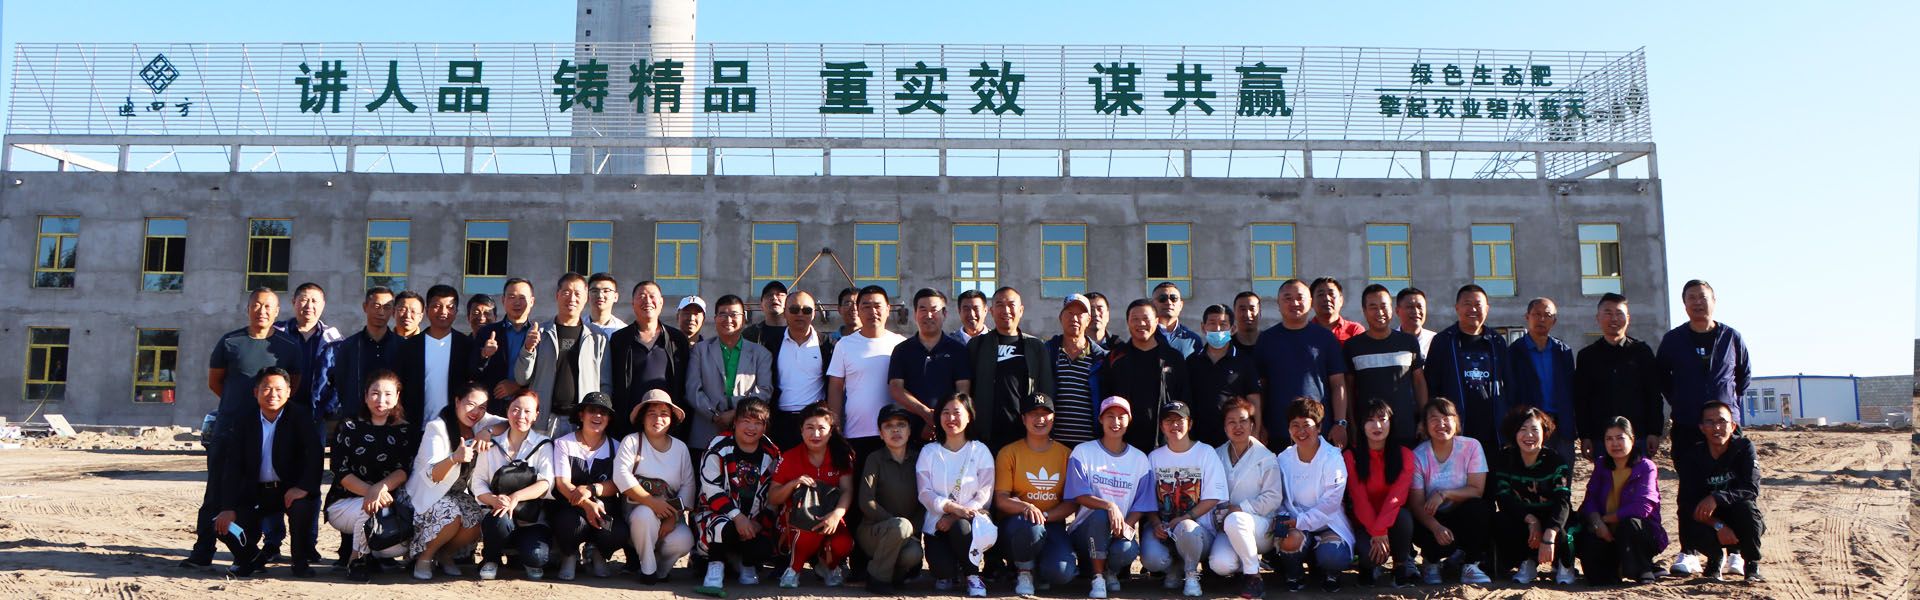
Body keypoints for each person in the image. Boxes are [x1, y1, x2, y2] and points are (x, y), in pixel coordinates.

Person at [189, 287, 304, 569]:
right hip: (229, 429)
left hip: (268, 432)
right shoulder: (230, 342)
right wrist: (238, 408)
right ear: (248, 308)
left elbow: (293, 386)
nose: (262, 311)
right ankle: (203, 550)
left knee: (254, 495)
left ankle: (251, 551)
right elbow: (216, 382)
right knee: (216, 492)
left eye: (268, 306)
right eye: (257, 305)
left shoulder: (288, 346)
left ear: (277, 311)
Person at [1655, 279, 1751, 576]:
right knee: (1690, 488)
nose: (1698, 302)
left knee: (1731, 486)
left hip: (1726, 428)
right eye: (1692, 298)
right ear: (1684, 304)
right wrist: (1684, 403)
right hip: (1687, 426)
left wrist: (1725, 408)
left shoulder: (1731, 337)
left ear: (1714, 300)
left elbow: (1743, 378)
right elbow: (1663, 379)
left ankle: (1736, 553)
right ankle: (1690, 551)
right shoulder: (1673, 340)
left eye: (1703, 297)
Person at [213, 367, 324, 578]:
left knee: (302, 507)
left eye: (279, 389)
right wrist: (227, 507)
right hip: (255, 493)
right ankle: (251, 557)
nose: (273, 394)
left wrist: (302, 488)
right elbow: (232, 467)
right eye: (266, 388)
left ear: (289, 392)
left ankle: (300, 562)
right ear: (256, 392)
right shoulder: (244, 420)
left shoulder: (300, 416)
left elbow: (315, 456)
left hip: (289, 489)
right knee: (223, 525)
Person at [404, 383, 504, 580]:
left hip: (455, 494)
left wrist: (489, 431)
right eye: (470, 404)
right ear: (457, 401)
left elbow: (509, 422)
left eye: (482, 407)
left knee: (478, 517)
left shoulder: (481, 423)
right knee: (451, 513)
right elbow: (432, 475)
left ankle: (445, 554)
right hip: (427, 495)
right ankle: (425, 557)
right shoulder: (437, 428)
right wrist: (454, 458)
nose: (475, 412)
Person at [324, 369, 416, 582]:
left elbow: (403, 470)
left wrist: (378, 490)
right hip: (344, 504)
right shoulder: (348, 426)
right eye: (375, 393)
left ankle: (376, 555)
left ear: (397, 397)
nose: (380, 400)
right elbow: (340, 471)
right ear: (365, 396)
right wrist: (372, 493)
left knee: (384, 520)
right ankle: (357, 560)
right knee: (370, 508)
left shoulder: (405, 431)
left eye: (388, 394)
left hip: (389, 506)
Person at [1063, 397, 1153, 599]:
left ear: (1129, 420)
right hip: (1085, 531)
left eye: (1121, 417)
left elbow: (1142, 503)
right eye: (1110, 416)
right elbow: (1079, 495)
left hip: (1117, 532)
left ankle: (1109, 571)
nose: (1115, 422)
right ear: (1100, 420)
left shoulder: (1139, 459)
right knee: (1100, 515)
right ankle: (1097, 578)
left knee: (1129, 549)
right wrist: (1109, 506)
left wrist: (1125, 526)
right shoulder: (1083, 451)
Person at [694, 396, 781, 597]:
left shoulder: (772, 453)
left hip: (753, 521)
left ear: (765, 426)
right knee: (722, 526)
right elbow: (711, 489)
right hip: (718, 515)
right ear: (735, 422)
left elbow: (774, 494)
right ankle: (715, 567)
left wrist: (759, 522)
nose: (751, 427)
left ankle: (746, 563)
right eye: (746, 421)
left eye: (758, 423)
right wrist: (738, 517)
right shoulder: (718, 446)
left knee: (764, 546)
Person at [1140, 401, 1227, 597]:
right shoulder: (1154, 457)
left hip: (1198, 531)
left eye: (1180, 420)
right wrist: (1155, 523)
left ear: (1190, 423)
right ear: (1161, 426)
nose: (1174, 425)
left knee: (1186, 528)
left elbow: (1213, 497)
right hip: (1164, 528)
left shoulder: (1206, 453)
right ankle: (1175, 567)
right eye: (1168, 421)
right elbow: (1148, 500)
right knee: (1152, 560)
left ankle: (1191, 573)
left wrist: (1185, 517)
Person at [916, 393, 999, 597]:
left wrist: (956, 515)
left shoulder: (980, 451)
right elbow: (924, 493)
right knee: (942, 572)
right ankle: (951, 570)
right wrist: (950, 507)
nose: (951, 418)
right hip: (937, 523)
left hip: (970, 522)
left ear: (969, 416)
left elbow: (985, 494)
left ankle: (972, 574)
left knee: (961, 528)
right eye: (945, 413)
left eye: (957, 412)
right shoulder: (929, 452)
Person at [995, 392, 1077, 595]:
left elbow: (1071, 503)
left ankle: (1040, 569)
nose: (1040, 419)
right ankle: (1024, 571)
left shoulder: (1066, 454)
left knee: (1061, 572)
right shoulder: (1009, 453)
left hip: (1051, 522)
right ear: (1023, 419)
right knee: (1031, 528)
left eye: (1045, 413)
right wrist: (1026, 507)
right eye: (1033, 414)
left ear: (1053, 418)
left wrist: (1044, 516)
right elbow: (1001, 499)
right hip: (1018, 524)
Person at [613, 389, 698, 583]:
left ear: (671, 419)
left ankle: (662, 570)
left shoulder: (680, 448)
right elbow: (621, 475)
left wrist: (673, 517)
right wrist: (652, 502)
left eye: (664, 414)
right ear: (642, 418)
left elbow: (688, 486)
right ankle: (648, 569)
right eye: (651, 413)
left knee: (684, 540)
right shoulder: (632, 441)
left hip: (670, 514)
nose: (658, 419)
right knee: (644, 515)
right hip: (635, 513)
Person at [1675, 401, 1765, 583]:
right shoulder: (1693, 456)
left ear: (1733, 426)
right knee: (1686, 515)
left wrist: (1716, 498)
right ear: (1701, 428)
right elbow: (1686, 500)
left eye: (1722, 421)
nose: (1716, 428)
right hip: (1708, 517)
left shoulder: (1744, 447)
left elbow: (1751, 488)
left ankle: (1751, 565)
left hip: (1736, 513)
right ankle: (1714, 560)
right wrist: (1718, 525)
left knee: (1748, 510)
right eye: (1709, 422)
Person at [1252, 279, 1348, 448]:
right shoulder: (1266, 340)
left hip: (1319, 429)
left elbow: (1338, 384)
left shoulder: (1325, 338)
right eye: (1288, 298)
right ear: (1278, 303)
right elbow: (1260, 389)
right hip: (1278, 431)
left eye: (1300, 298)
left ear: (1310, 302)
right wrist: (1260, 425)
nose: (1294, 303)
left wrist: (1340, 422)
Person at [1273, 397, 1355, 593]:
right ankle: (1294, 573)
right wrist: (1285, 520)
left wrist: (1301, 521)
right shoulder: (1283, 458)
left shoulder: (1333, 457)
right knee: (1288, 540)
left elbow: (1331, 503)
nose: (1301, 431)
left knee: (1333, 555)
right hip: (1295, 523)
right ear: (1289, 429)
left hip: (1329, 523)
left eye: (1307, 425)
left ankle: (1330, 572)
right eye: (1295, 425)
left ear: (1318, 427)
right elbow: (1279, 496)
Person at [769, 405, 857, 588]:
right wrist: (793, 484)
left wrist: (836, 515)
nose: (815, 434)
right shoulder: (790, 457)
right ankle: (794, 569)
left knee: (844, 543)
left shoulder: (842, 455)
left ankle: (829, 566)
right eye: (809, 427)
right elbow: (773, 498)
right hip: (795, 520)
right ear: (801, 430)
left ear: (830, 432)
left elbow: (847, 490)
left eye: (821, 428)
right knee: (808, 524)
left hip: (830, 516)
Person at [472, 389, 555, 581]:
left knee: (537, 557)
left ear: (536, 415)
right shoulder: (491, 444)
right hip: (498, 515)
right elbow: (478, 482)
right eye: (515, 409)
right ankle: (491, 558)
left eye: (527, 411)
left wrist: (515, 498)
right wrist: (493, 499)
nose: (521, 416)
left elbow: (545, 482)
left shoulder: (543, 445)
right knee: (499, 521)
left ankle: (522, 555)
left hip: (532, 519)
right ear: (507, 411)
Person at [514, 273, 612, 436]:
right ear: (557, 295)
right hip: (545, 419)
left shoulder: (597, 337)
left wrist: (598, 416)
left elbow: (605, 385)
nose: (572, 298)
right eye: (566, 292)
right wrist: (528, 349)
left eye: (577, 293)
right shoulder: (540, 332)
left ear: (586, 298)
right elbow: (521, 378)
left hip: (583, 422)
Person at [1408, 397, 1492, 585]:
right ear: (1425, 425)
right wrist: (1436, 527)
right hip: (1432, 518)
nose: (1441, 424)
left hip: (1461, 514)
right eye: (1434, 419)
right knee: (1413, 519)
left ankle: (1471, 564)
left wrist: (1444, 494)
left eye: (1447, 418)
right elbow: (1416, 504)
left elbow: (1477, 490)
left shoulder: (1471, 446)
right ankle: (1431, 562)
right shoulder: (1418, 456)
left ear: (1457, 422)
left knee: (1479, 508)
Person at [1575, 416, 1668, 585]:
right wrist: (1597, 522)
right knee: (1598, 577)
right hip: (1606, 532)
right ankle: (1614, 568)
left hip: (1637, 533)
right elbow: (1590, 500)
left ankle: (1642, 568)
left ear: (1632, 439)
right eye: (1609, 439)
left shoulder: (1646, 466)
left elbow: (1642, 507)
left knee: (1630, 524)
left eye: (1620, 438)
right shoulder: (1601, 464)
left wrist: (1605, 519)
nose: (1615, 444)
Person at [1206, 399, 1284, 598]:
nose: (1238, 426)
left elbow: (1274, 497)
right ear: (1225, 427)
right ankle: (1246, 562)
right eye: (1231, 422)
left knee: (1236, 519)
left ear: (1252, 424)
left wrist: (1240, 508)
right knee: (1220, 564)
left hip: (1260, 527)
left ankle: (1254, 577)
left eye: (1243, 421)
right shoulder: (1216, 455)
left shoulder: (1266, 456)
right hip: (1227, 525)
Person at [1489, 406, 1576, 586]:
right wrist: (1530, 520)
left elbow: (1562, 501)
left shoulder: (1555, 461)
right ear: (1514, 432)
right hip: (1524, 516)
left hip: (1551, 515)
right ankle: (1526, 560)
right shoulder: (1505, 458)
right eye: (1523, 429)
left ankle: (1564, 563)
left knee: (1563, 528)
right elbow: (1504, 498)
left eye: (1535, 430)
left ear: (1544, 433)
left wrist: (1550, 533)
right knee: (1500, 520)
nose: (1529, 435)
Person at [1573, 293, 1664, 460]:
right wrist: (1585, 436)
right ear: (1598, 318)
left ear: (1628, 318)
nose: (1614, 318)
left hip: (1638, 436)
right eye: (1608, 313)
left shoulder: (1642, 352)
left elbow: (1653, 395)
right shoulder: (1587, 356)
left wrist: (1654, 431)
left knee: (1640, 476)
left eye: (1619, 313)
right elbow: (1582, 400)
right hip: (1601, 439)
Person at [547, 391, 626, 581]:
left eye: (603, 412)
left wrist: (592, 489)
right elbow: (563, 484)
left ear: (609, 419)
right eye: (592, 410)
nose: (597, 416)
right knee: (570, 524)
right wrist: (587, 504)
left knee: (619, 532)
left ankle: (598, 553)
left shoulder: (617, 446)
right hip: (571, 507)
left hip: (604, 508)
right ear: (581, 415)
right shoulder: (563, 443)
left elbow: (619, 483)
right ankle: (569, 554)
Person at [967, 287, 1055, 452]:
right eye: (1000, 305)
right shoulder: (977, 345)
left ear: (1021, 310)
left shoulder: (1035, 347)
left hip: (1024, 436)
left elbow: (1046, 391)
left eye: (1011, 305)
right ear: (992, 311)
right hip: (985, 437)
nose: (1006, 310)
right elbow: (967, 390)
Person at [1342, 399, 1418, 588]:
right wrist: (1377, 532)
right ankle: (1367, 568)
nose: (1377, 426)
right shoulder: (1351, 456)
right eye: (1370, 420)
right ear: (1361, 425)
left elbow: (1396, 498)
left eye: (1382, 419)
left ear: (1391, 422)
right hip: (1363, 522)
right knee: (1369, 556)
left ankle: (1400, 566)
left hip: (1392, 521)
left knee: (1404, 517)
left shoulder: (1405, 455)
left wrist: (1381, 530)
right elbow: (1359, 498)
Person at [1423, 285, 1510, 449]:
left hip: (1492, 429)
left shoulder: (1496, 341)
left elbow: (1508, 382)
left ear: (1487, 309)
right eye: (1467, 304)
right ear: (1457, 308)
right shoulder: (1443, 341)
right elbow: (1432, 384)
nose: (1473, 309)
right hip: (1455, 428)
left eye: (1478, 304)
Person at [686, 295, 773, 455]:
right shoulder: (700, 350)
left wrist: (736, 414)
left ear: (744, 319)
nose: (728, 319)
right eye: (723, 314)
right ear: (715, 319)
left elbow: (764, 390)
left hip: (747, 434)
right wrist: (715, 416)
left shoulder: (761, 354)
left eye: (734, 314)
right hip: (706, 433)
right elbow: (693, 389)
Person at [1344, 284, 1429, 448]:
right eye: (1373, 307)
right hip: (1369, 431)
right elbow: (1348, 389)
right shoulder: (1353, 346)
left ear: (1392, 309)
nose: (1380, 312)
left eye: (1384, 306)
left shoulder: (1408, 342)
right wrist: (1351, 424)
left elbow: (1419, 382)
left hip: (1405, 429)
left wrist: (1423, 419)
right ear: (1364, 311)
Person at [829, 285, 907, 464]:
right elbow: (835, 387)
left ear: (888, 309)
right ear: (858, 310)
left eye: (878, 306)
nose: (873, 312)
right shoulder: (844, 345)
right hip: (856, 433)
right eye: (866, 306)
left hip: (894, 433)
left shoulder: (901, 344)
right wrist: (835, 426)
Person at [608, 280, 693, 443]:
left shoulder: (677, 339)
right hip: (628, 425)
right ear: (633, 303)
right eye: (641, 296)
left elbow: (685, 384)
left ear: (661, 302)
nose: (647, 300)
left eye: (652, 296)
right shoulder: (619, 340)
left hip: (667, 425)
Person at [856, 405, 926, 595]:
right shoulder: (874, 459)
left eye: (901, 425)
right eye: (888, 426)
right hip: (873, 531)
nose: (895, 430)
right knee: (901, 526)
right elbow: (866, 501)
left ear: (910, 431)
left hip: (907, 534)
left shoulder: (920, 460)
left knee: (914, 553)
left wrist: (910, 529)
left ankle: (892, 576)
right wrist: (897, 525)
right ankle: (877, 579)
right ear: (880, 434)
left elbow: (925, 501)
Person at [1102, 299, 1189, 451]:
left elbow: (1184, 397)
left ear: (1156, 321)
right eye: (1135, 319)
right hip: (1125, 442)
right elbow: (1106, 397)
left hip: (1164, 442)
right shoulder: (1115, 358)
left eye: (1146, 319)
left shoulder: (1173, 358)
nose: (1141, 324)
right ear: (1128, 322)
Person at [890, 288, 973, 442]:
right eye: (923, 309)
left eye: (934, 310)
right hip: (909, 433)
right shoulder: (902, 350)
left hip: (949, 431)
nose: (929, 315)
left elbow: (963, 391)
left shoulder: (958, 350)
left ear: (945, 314)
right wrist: (926, 414)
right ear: (915, 314)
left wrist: (939, 420)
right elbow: (896, 389)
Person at [398, 284, 478, 442]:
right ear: (427, 310)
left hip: (455, 429)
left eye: (450, 307)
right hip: (415, 428)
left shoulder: (466, 346)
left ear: (456, 311)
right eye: (437, 306)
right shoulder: (410, 347)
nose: (443, 312)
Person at [1506, 298, 1578, 461]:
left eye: (1547, 315)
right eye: (1536, 314)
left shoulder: (1563, 352)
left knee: (1563, 472)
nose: (1542, 319)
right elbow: (1511, 392)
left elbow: (1571, 391)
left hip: (1561, 427)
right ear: (1527, 317)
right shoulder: (1514, 352)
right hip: (1528, 427)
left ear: (1554, 321)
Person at [329, 286, 400, 442]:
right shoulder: (349, 346)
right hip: (356, 422)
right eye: (376, 306)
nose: (381, 312)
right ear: (365, 307)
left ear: (393, 311)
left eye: (387, 307)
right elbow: (341, 383)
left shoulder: (402, 346)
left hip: (392, 422)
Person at [766, 290, 835, 450]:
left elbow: (834, 384)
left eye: (807, 310)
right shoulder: (771, 344)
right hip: (781, 422)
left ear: (814, 313)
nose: (800, 314)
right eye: (794, 309)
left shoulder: (827, 345)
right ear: (785, 312)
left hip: (815, 422)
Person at [1186, 304, 1261, 448]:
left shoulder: (1244, 362)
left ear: (1233, 329)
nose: (1217, 329)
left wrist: (1256, 430)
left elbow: (1254, 398)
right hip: (1198, 437)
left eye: (1223, 324)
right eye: (1212, 323)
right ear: (1203, 327)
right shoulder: (1192, 362)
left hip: (1234, 435)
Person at [274, 282, 344, 431]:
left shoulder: (333, 339)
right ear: (294, 302)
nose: (309, 306)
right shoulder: (278, 334)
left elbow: (341, 378)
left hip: (316, 415)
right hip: (280, 412)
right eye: (304, 300)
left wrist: (328, 408)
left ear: (323, 305)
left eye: (314, 301)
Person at [1047, 294, 1108, 446]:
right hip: (1054, 445)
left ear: (1088, 320)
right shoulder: (1047, 353)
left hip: (1089, 446)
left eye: (1080, 314)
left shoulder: (1102, 358)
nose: (1074, 318)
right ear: (1061, 318)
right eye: (1069, 313)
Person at [475, 278, 538, 410]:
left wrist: (517, 386)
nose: (517, 302)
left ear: (532, 301)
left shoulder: (538, 334)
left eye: (522, 298)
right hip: (492, 406)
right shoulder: (487, 332)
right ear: (503, 300)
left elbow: (542, 373)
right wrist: (484, 354)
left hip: (525, 409)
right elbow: (472, 371)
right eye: (511, 297)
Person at [1149, 282, 1203, 358]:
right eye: (1162, 298)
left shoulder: (1193, 340)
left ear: (1181, 305)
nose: (1169, 302)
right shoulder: (1144, 337)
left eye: (1174, 298)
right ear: (1152, 305)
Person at [1309, 277, 1366, 345]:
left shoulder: (1354, 330)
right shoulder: (1304, 331)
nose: (1327, 298)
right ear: (1311, 302)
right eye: (1320, 295)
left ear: (1341, 300)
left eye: (1331, 294)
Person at [742, 280, 790, 355]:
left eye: (779, 294)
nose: (774, 297)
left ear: (788, 302)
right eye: (769, 295)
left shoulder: (797, 332)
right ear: (761, 304)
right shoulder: (750, 334)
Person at [1394, 288, 1437, 358]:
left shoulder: (1435, 340)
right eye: (1410, 307)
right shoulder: (1390, 341)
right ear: (1397, 311)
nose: (1416, 311)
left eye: (1420, 307)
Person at [586, 272, 628, 338]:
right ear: (587, 296)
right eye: (594, 291)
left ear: (615, 297)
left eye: (606, 291)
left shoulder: (623, 330)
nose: (600, 295)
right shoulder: (578, 326)